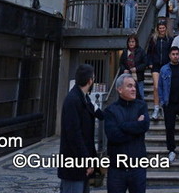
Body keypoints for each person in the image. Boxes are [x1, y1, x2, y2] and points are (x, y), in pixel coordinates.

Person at [103, 73, 150, 193]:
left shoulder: (141, 106)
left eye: (134, 86)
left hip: (137, 168)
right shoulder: (110, 110)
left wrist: (123, 126)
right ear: (119, 89)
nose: (134, 89)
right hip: (117, 169)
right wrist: (135, 128)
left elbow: (144, 125)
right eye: (129, 86)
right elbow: (113, 136)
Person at [58, 64, 99, 193]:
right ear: (90, 81)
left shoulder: (84, 98)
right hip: (74, 165)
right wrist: (87, 161)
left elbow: (98, 113)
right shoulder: (73, 100)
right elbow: (74, 135)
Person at [157, 45, 179, 163]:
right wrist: (162, 101)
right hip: (169, 103)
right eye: (173, 54)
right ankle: (171, 150)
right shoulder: (164, 69)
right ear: (169, 56)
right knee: (169, 128)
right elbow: (160, 87)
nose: (175, 56)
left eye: (177, 54)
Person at [147, 20, 172, 121]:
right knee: (156, 87)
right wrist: (150, 62)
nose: (162, 30)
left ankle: (164, 105)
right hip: (156, 65)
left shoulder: (170, 39)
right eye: (160, 28)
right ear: (158, 29)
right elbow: (149, 52)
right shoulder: (153, 39)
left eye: (163, 28)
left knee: (166, 86)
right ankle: (156, 108)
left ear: (165, 28)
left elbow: (172, 51)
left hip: (166, 65)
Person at [119, 34, 148, 100]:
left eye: (133, 41)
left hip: (138, 77)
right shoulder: (125, 51)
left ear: (136, 42)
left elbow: (145, 63)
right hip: (127, 77)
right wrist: (124, 70)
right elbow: (121, 64)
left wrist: (136, 69)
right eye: (129, 42)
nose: (131, 43)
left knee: (140, 95)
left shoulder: (141, 51)